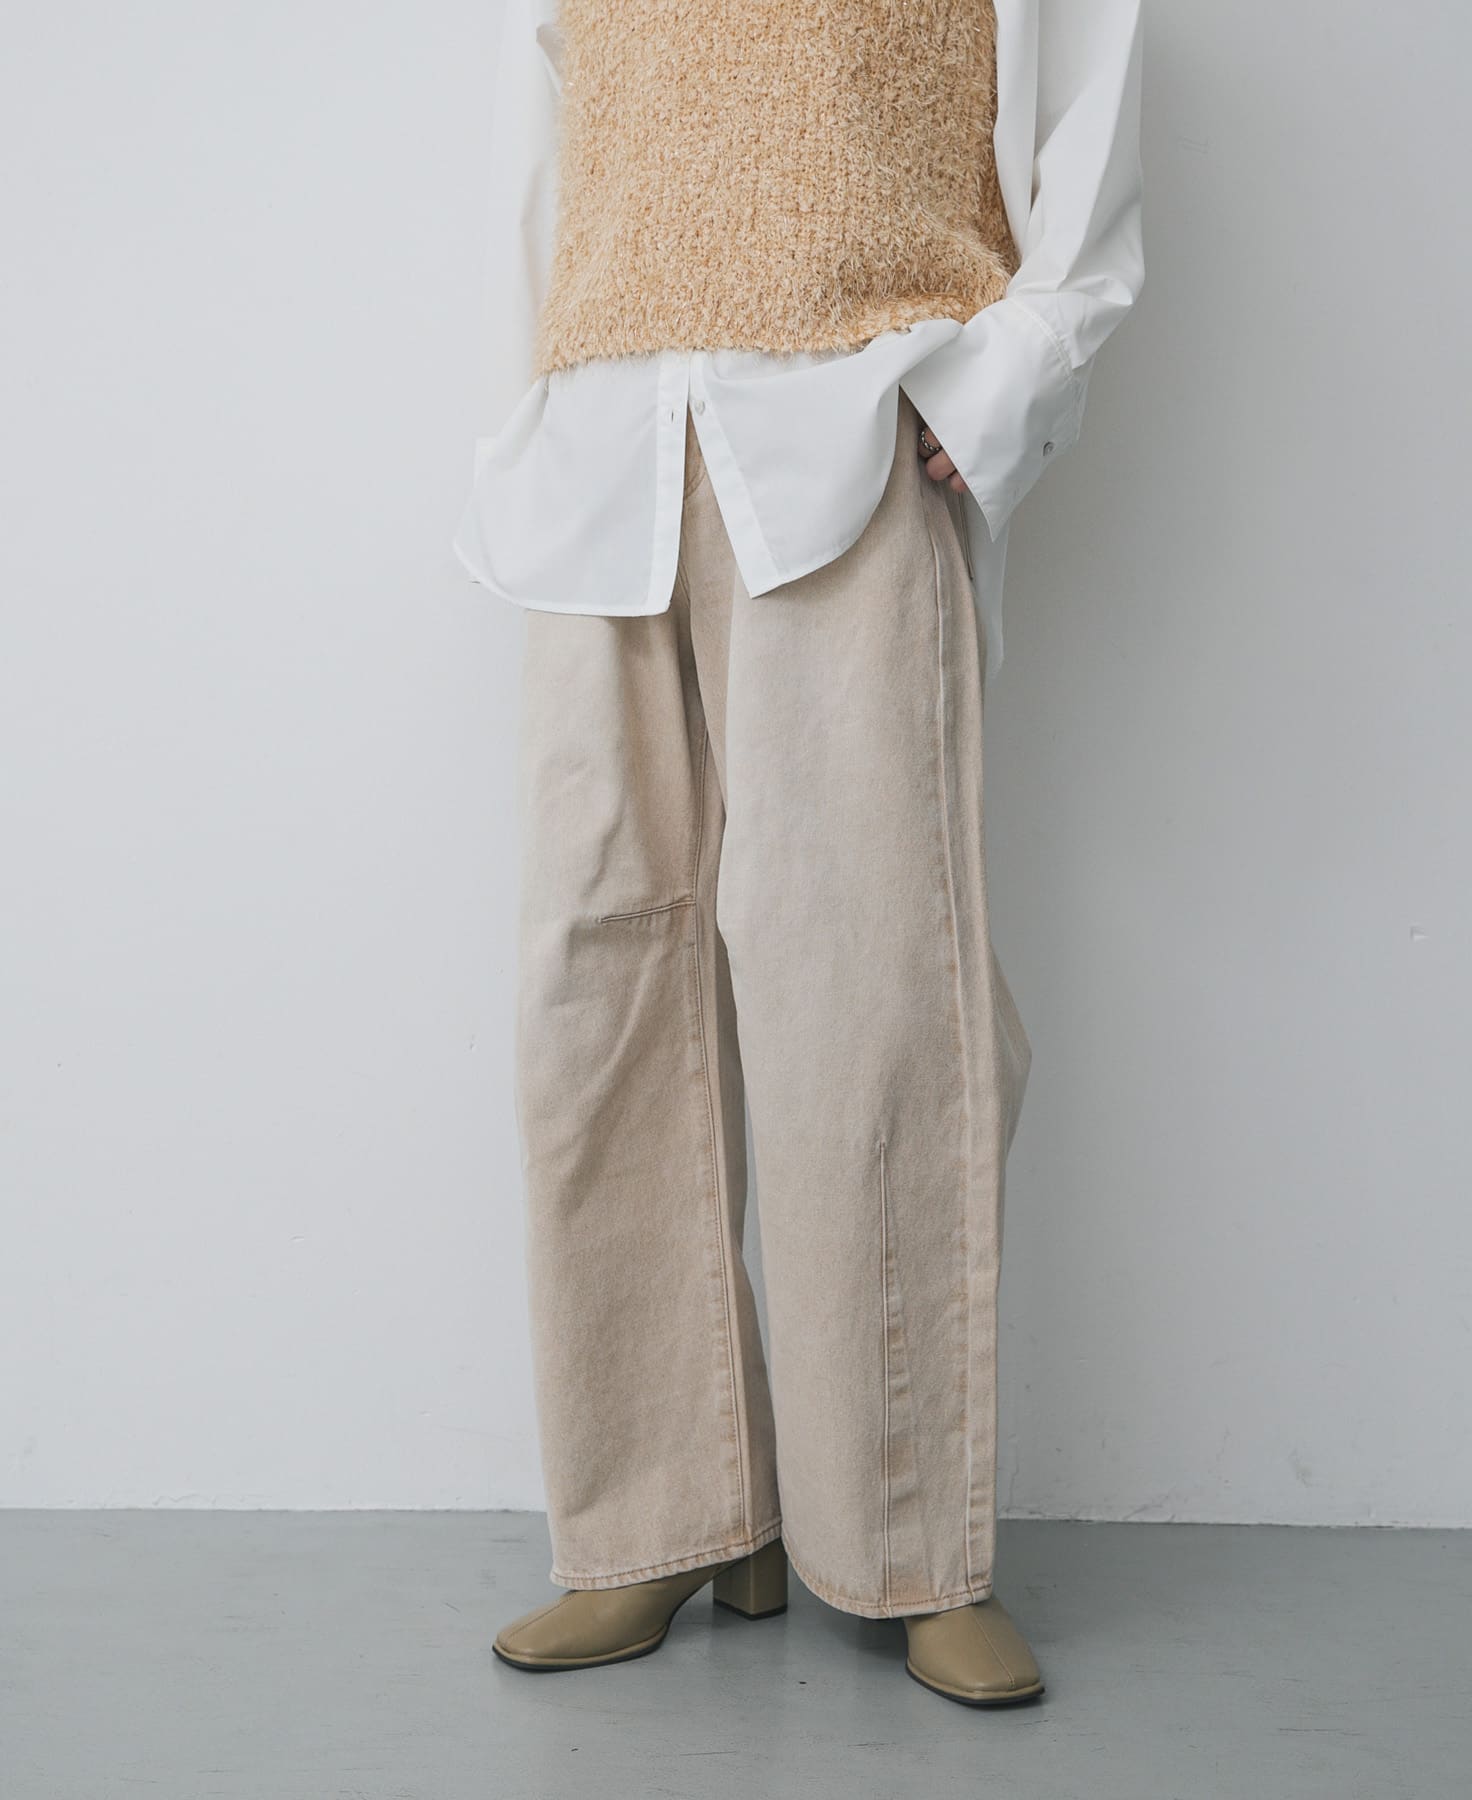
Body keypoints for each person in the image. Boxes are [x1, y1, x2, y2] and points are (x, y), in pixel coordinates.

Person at [454, 0, 1144, 1706]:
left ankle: (910, 1544)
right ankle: (665, 1518)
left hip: (849, 429)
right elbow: (543, 155)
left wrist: (1003, 387)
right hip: (605, 457)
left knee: (868, 977)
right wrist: (524, 417)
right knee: (592, 989)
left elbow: (1091, 122)